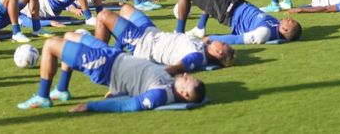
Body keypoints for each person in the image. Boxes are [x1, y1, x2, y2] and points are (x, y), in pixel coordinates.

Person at [17, 33, 206, 112]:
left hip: (104, 65)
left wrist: (91, 106)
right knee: (68, 36)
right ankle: (61, 90)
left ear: (185, 94)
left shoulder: (159, 95)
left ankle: (43, 97)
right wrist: (117, 92)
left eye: (188, 81)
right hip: (114, 55)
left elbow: (129, 106)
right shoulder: (170, 84)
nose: (187, 76)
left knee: (50, 45)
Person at [92, 5, 235, 75]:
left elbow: (176, 68)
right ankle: (117, 51)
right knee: (125, 9)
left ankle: (99, 60)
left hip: (142, 42)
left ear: (218, 52)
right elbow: (206, 39)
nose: (220, 41)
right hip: (151, 32)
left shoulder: (196, 57)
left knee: (103, 15)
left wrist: (151, 78)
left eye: (222, 43)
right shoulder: (204, 47)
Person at [174, 0, 302, 44]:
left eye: (290, 21)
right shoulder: (275, 24)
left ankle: (178, 36)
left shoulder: (264, 33)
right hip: (236, 2)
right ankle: (200, 27)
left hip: (227, 11)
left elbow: (237, 39)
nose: (288, 18)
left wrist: (211, 38)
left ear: (285, 30)